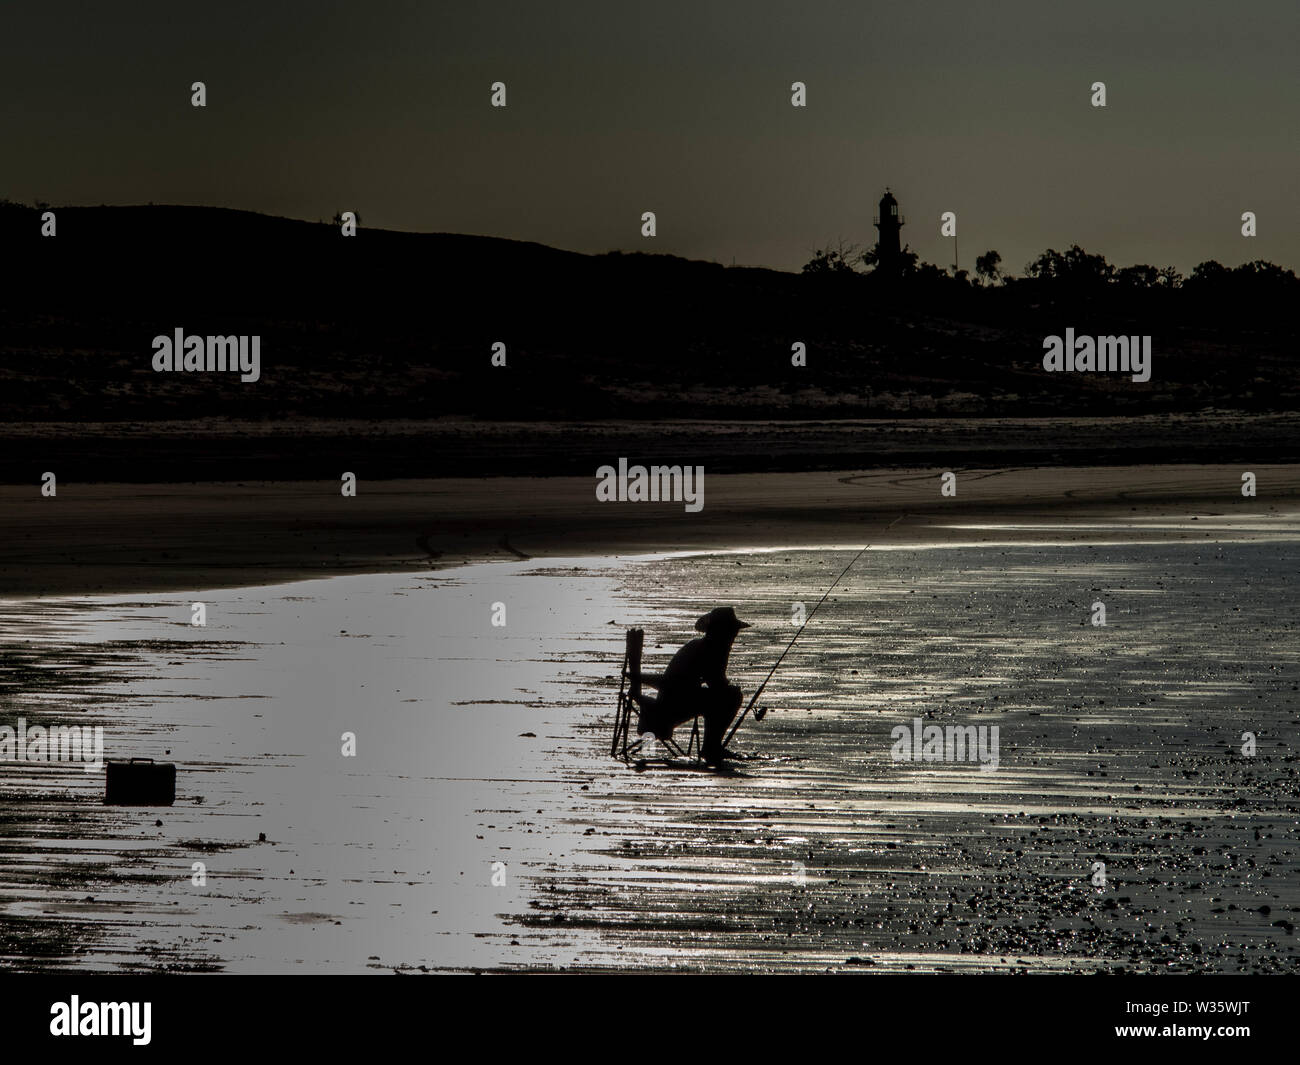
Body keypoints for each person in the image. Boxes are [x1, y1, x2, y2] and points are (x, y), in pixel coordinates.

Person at [634, 606, 750, 766]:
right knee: (731, 697)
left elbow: (714, 680)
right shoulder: (712, 649)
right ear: (721, 631)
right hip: (676, 703)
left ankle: (712, 745)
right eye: (732, 630)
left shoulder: (701, 645)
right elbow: (716, 682)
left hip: (673, 698)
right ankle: (711, 747)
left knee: (723, 696)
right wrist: (730, 688)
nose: (735, 635)